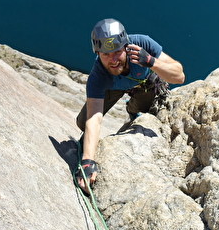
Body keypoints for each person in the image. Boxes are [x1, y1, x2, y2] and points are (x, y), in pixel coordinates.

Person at [75, 18, 185, 194]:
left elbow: (179, 75)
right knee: (83, 123)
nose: (113, 60)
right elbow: (94, 118)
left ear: (126, 45)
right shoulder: (98, 77)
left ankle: (132, 110)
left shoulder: (142, 43)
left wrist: (151, 61)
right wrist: (87, 160)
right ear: (97, 53)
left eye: (117, 51)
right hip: (113, 87)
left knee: (140, 110)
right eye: (105, 54)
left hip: (143, 84)